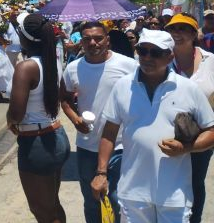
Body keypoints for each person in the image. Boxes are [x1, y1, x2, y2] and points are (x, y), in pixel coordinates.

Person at [91, 29, 214, 222]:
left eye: (155, 53)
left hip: (175, 194)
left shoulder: (188, 88)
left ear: (170, 56)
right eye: (142, 51)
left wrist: (187, 148)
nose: (147, 57)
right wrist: (101, 172)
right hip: (133, 193)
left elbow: (211, 130)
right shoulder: (123, 86)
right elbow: (109, 132)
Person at [60, 21, 138, 223]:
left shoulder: (129, 66)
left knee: (117, 199)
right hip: (87, 145)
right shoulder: (73, 68)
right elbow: (65, 99)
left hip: (122, 145)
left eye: (98, 38)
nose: (93, 43)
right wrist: (75, 118)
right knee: (92, 200)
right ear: (81, 43)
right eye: (87, 39)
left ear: (108, 40)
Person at [7, 13, 70, 223]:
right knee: (52, 204)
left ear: (25, 39)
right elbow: (61, 94)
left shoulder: (26, 67)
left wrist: (10, 121)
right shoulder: (52, 61)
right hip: (56, 134)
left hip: (37, 143)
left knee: (41, 210)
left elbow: (17, 112)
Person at [165, 13, 214, 222]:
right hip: (165, 132)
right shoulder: (160, 58)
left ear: (194, 34)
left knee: (195, 182)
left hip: (201, 134)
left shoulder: (210, 61)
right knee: (167, 182)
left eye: (184, 29)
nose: (177, 33)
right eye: (173, 29)